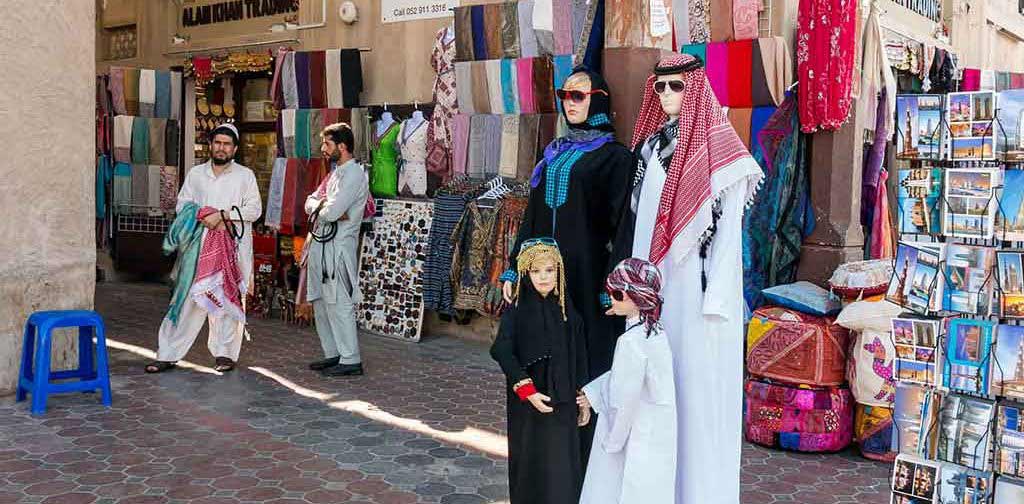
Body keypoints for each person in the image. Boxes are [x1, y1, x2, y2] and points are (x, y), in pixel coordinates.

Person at [622, 54, 764, 504]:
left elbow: (727, 241)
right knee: (651, 389)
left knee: (695, 399)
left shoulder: (723, 153)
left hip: (700, 299)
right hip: (654, 289)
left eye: (675, 86)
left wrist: (716, 303)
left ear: (694, 88)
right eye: (659, 87)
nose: (666, 95)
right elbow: (640, 223)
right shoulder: (647, 150)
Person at [500, 67, 634, 386]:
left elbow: (623, 228)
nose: (569, 103)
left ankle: (587, 429)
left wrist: (613, 284)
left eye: (578, 96)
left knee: (588, 355)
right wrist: (514, 268)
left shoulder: (615, 158)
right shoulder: (554, 153)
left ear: (598, 102)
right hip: (546, 275)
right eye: (564, 96)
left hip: (587, 276)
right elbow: (532, 217)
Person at [147, 123, 262, 374]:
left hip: (232, 248)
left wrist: (222, 215)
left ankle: (225, 354)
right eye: (218, 143)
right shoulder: (196, 174)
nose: (221, 148)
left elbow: (254, 210)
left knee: (227, 303)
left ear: (235, 148)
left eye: (227, 144)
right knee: (187, 300)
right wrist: (203, 215)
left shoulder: (245, 176)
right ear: (211, 145)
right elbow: (182, 205)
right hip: (197, 248)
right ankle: (167, 354)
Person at [490, 239, 590, 504]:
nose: (543, 277)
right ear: (526, 273)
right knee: (530, 469)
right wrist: (527, 390)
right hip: (529, 405)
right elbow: (501, 350)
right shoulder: (517, 310)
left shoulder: (568, 310)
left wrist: (584, 399)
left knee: (563, 471)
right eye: (536, 271)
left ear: (559, 271)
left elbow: (578, 356)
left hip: (564, 403)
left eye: (549, 270)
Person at [578, 258, 677, 504]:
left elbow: (623, 399)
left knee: (617, 491)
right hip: (657, 431)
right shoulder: (656, 332)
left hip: (634, 434)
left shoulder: (631, 341)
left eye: (618, 293)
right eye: (610, 291)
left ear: (638, 297)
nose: (611, 298)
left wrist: (612, 440)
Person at [304, 123, 369, 377]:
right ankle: (333, 353)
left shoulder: (353, 174)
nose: (323, 149)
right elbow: (314, 203)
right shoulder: (335, 174)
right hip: (321, 244)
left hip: (339, 249)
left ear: (342, 146)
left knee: (340, 302)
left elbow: (331, 212)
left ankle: (351, 358)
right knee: (320, 302)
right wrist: (324, 206)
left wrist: (324, 208)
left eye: (327, 144)